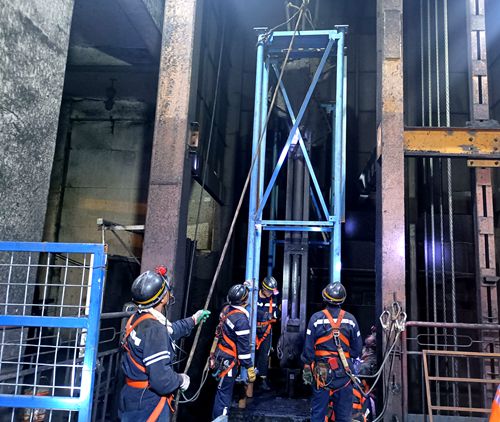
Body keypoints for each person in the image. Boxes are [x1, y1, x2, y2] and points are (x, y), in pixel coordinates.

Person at [119, 267, 210, 421]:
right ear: (162, 298)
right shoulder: (155, 329)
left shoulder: (138, 319)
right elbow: (162, 381)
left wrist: (193, 320)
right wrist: (180, 380)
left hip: (132, 397)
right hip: (148, 402)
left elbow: (170, 331)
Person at [301, 282, 362, 422]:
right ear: (343, 300)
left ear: (325, 297)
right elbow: (357, 350)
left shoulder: (316, 319)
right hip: (345, 373)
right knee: (343, 416)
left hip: (322, 374)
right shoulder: (351, 320)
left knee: (318, 414)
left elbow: (308, 349)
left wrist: (307, 364)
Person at [211, 284, 257, 420]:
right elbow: (243, 349)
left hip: (220, 355)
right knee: (224, 397)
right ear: (245, 301)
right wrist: (249, 367)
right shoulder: (241, 320)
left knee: (220, 393)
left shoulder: (226, 309)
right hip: (228, 361)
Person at [255, 276, 280, 390]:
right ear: (263, 288)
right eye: (269, 291)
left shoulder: (274, 298)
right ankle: (248, 378)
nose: (270, 293)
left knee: (264, 354)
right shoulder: (254, 296)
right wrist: (263, 315)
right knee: (250, 352)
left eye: (272, 291)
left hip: (266, 330)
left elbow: (276, 312)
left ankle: (262, 379)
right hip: (253, 329)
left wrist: (276, 314)